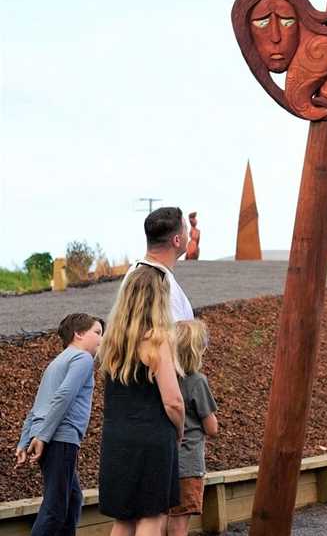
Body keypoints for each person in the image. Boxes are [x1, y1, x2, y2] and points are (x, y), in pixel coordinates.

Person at [99, 265, 185, 535]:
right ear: (158, 299)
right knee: (151, 515)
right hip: (152, 438)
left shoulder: (111, 342)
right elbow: (173, 401)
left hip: (116, 438)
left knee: (123, 518)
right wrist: (179, 429)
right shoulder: (157, 341)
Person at [15, 313, 104, 536]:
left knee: (73, 499)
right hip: (60, 437)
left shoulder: (57, 362)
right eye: (97, 333)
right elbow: (64, 395)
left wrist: (25, 440)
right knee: (55, 509)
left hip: (48, 435)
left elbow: (37, 406)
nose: (102, 339)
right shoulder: (82, 358)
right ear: (79, 334)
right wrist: (43, 437)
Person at [167, 320, 218, 536]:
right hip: (188, 463)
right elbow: (211, 426)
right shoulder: (197, 381)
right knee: (180, 524)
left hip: (164, 461)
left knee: (161, 519)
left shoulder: (163, 380)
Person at [125, 206, 193, 321]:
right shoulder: (162, 284)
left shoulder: (134, 272)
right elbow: (173, 336)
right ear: (177, 240)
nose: (189, 234)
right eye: (186, 229)